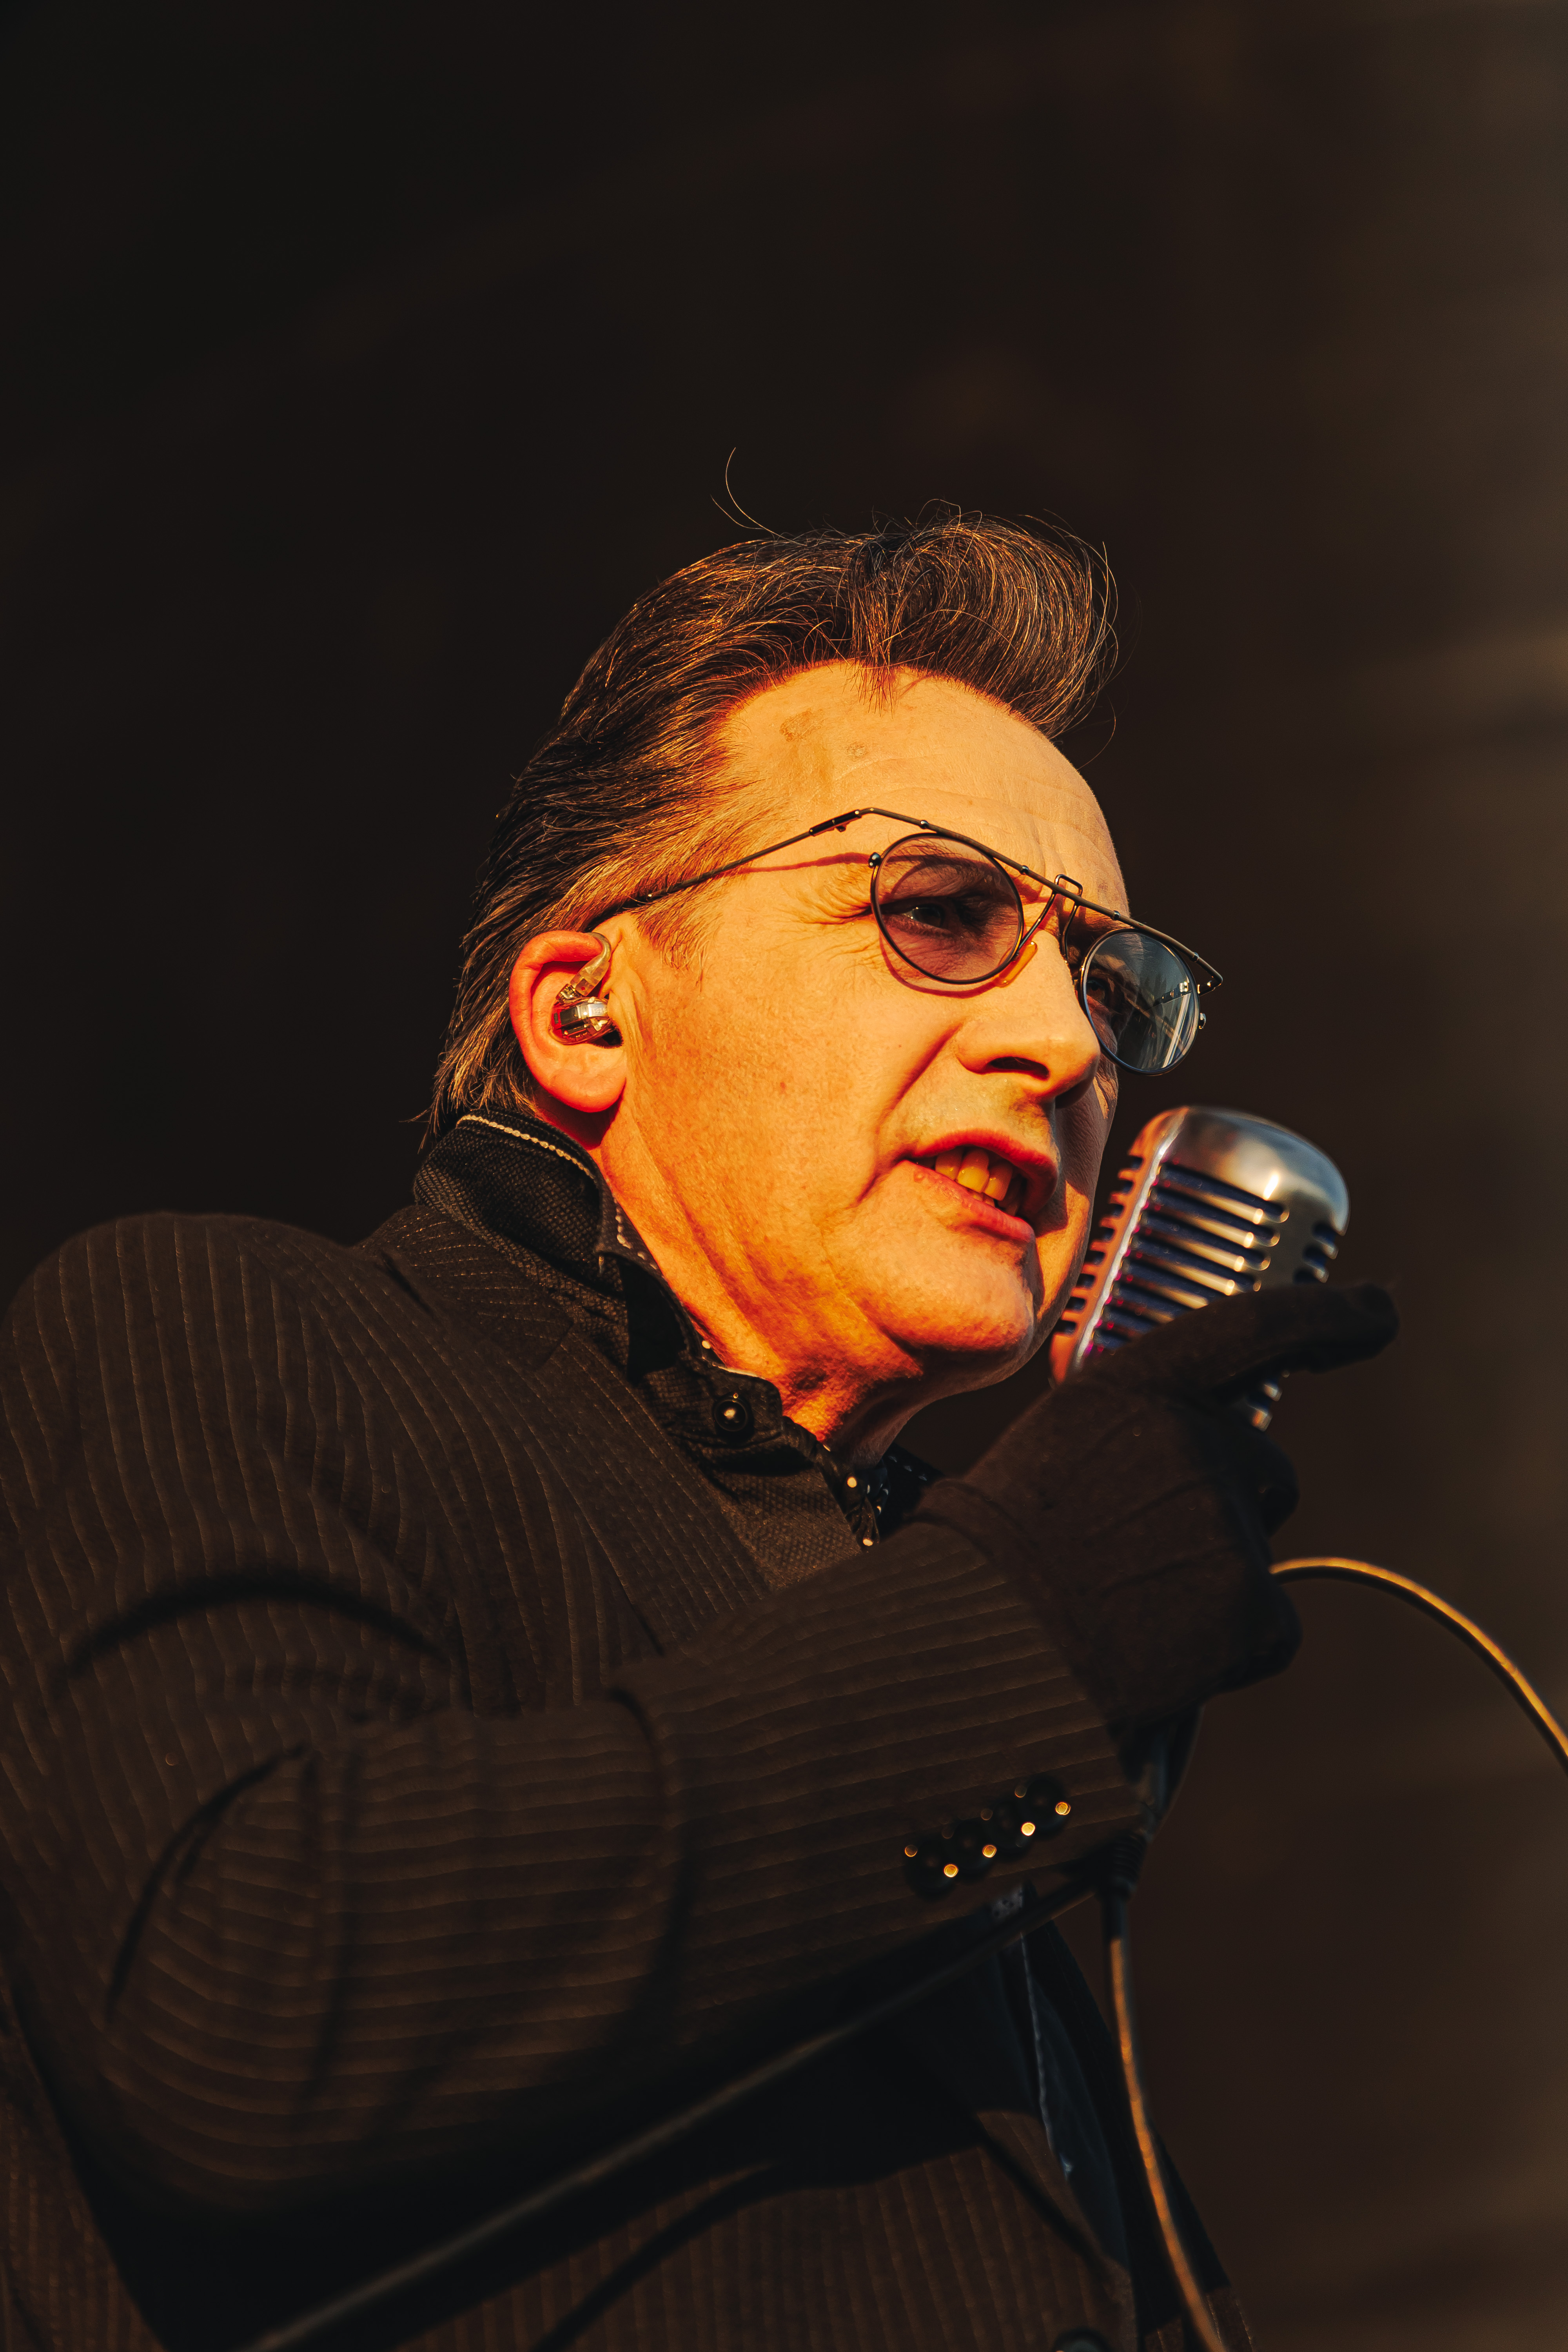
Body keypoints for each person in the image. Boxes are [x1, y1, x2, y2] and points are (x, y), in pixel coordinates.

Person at [0, 514, 1394, 2352]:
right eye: (939, 913)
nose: (1065, 1046)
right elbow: (242, 2003)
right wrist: (1017, 1636)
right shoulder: (228, 1329)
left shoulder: (901, 1598)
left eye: (1108, 988)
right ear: (587, 1010)